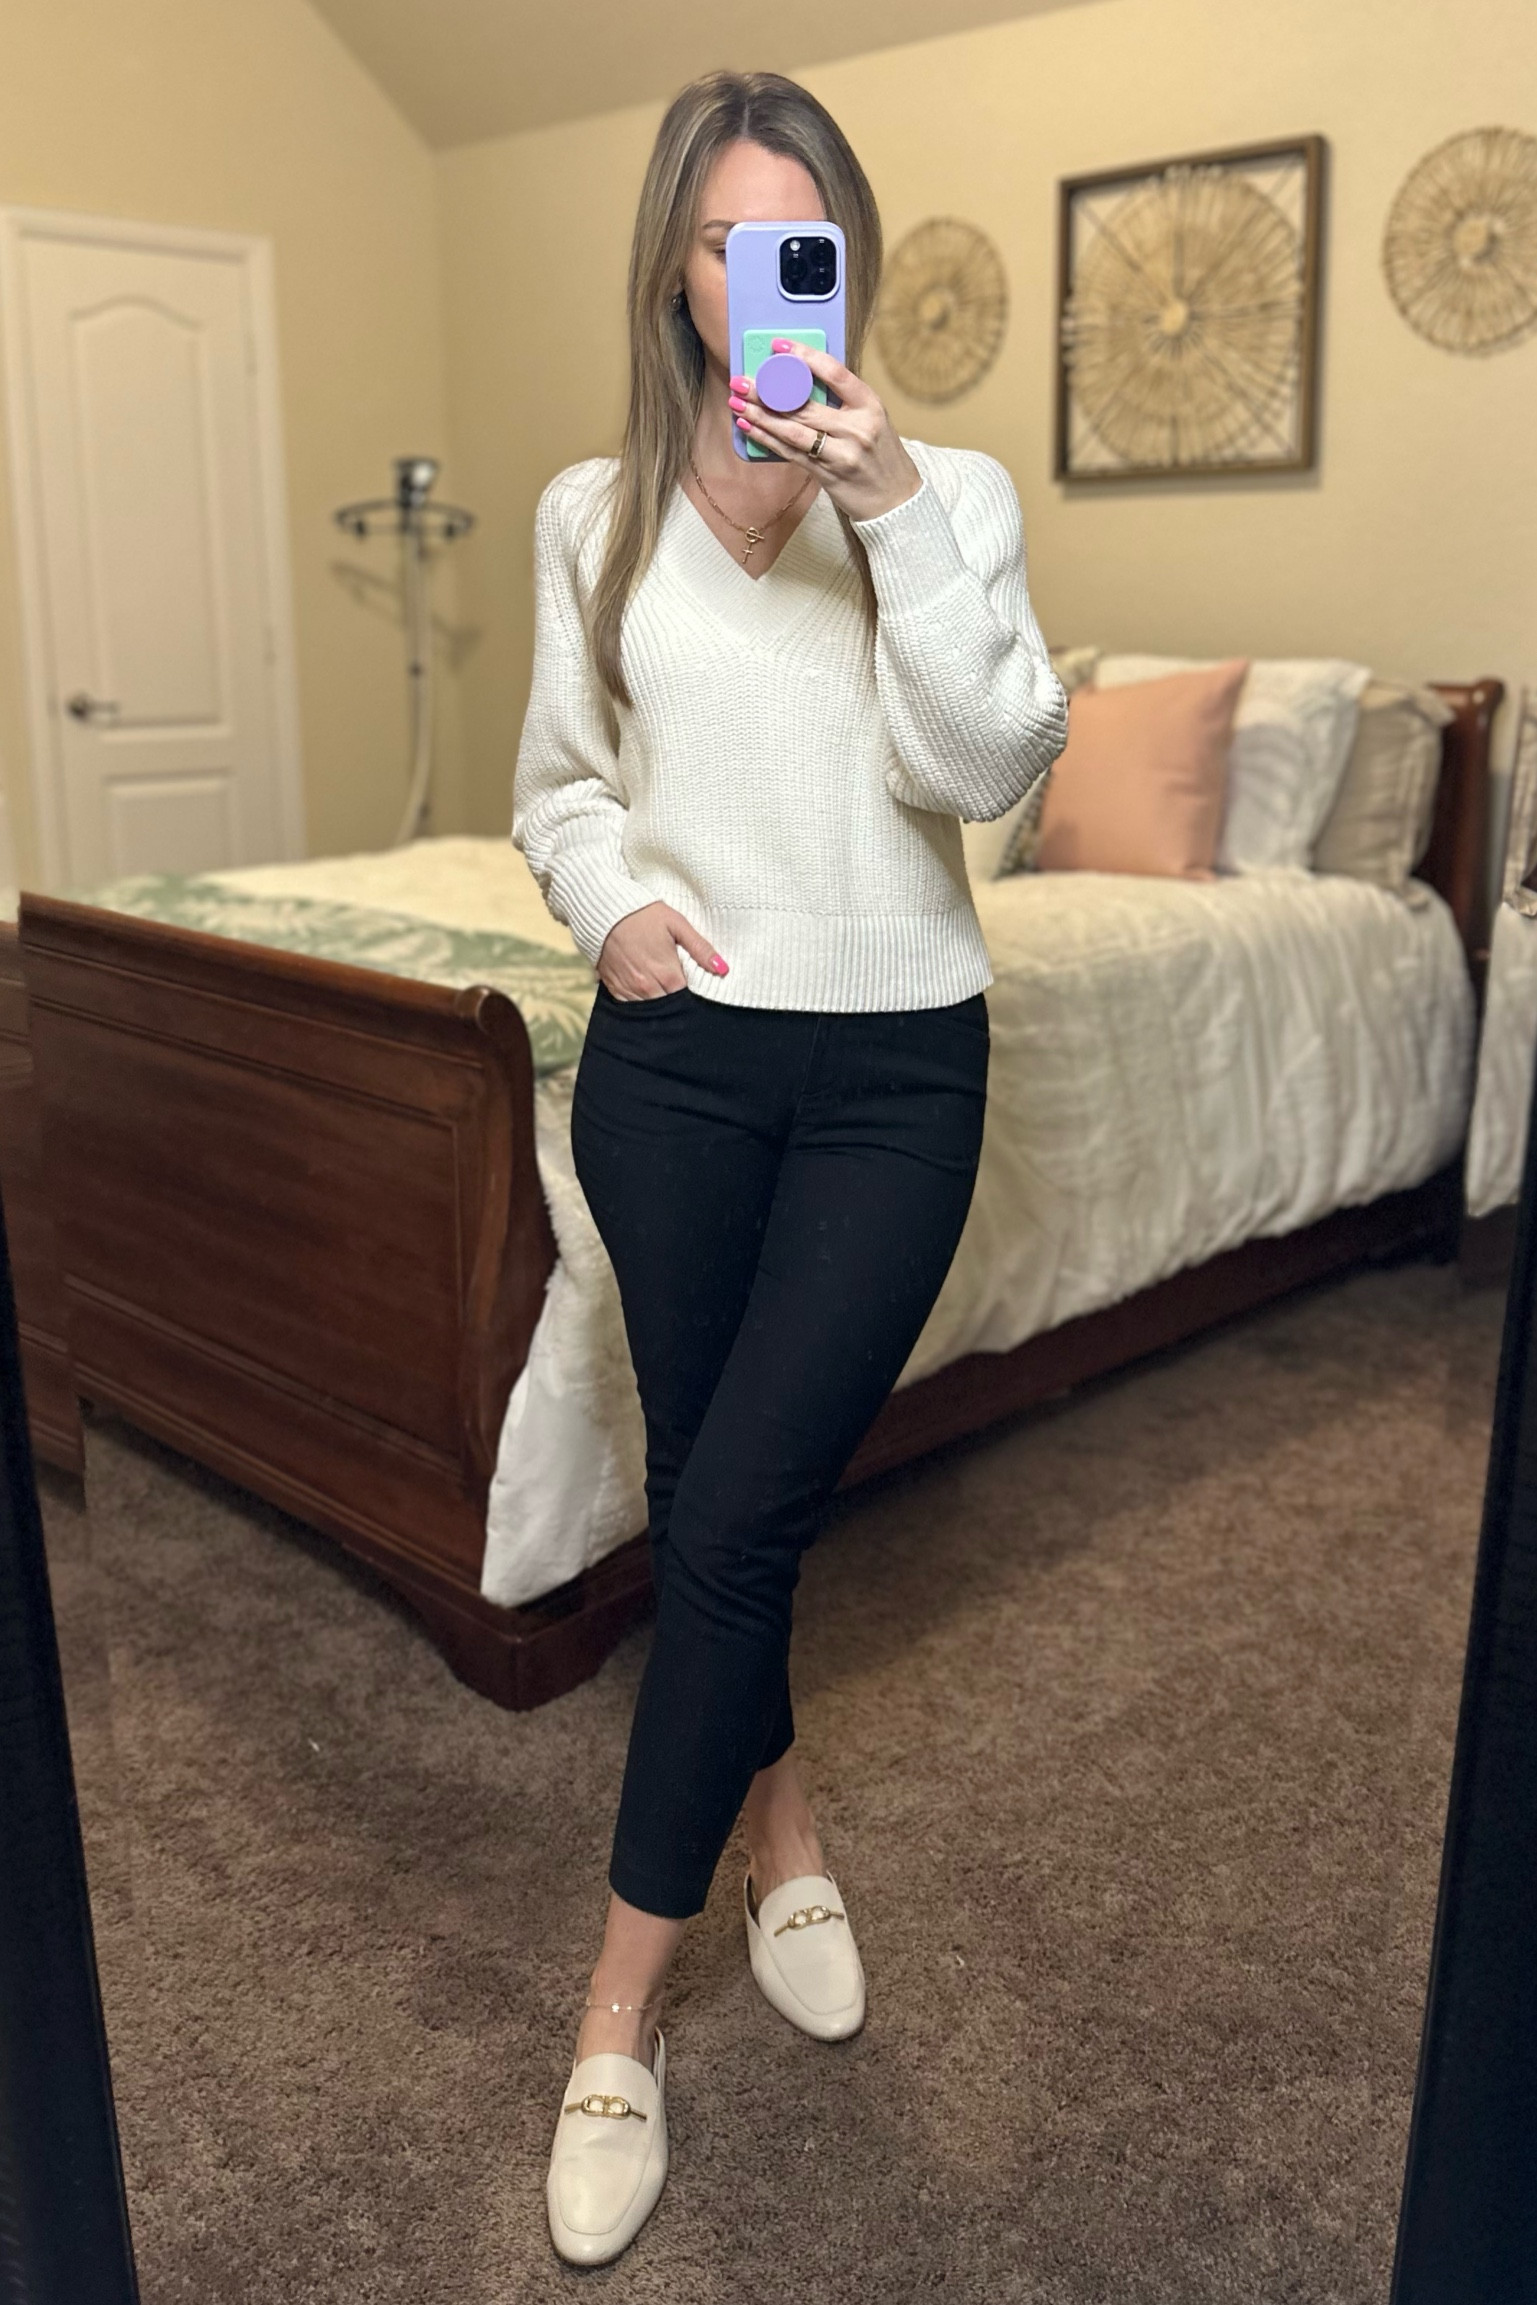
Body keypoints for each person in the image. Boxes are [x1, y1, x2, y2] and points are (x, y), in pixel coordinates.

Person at [511, 66, 1067, 2267]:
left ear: (847, 257)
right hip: (672, 1067)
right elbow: (562, 783)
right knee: (716, 1496)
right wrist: (605, 909)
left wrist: (891, 504)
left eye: (801, 242)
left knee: (740, 1510)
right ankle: (787, 1830)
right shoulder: (590, 513)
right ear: (676, 271)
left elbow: (989, 761)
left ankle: (612, 2020)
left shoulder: (948, 499)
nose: (766, 281)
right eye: (730, 244)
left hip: (893, 1074)